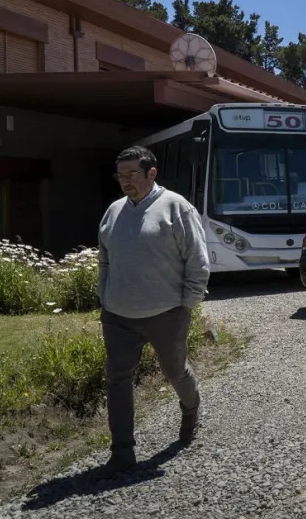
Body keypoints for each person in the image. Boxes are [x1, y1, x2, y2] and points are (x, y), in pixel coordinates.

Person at [95, 145, 210, 476]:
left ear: (151, 173)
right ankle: (122, 451)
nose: (125, 181)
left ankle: (191, 408)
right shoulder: (114, 211)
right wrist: (105, 294)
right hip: (118, 316)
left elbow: (198, 260)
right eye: (121, 175)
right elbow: (104, 257)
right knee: (117, 378)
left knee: (175, 372)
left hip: (166, 313)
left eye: (132, 174)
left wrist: (187, 303)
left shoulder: (176, 207)